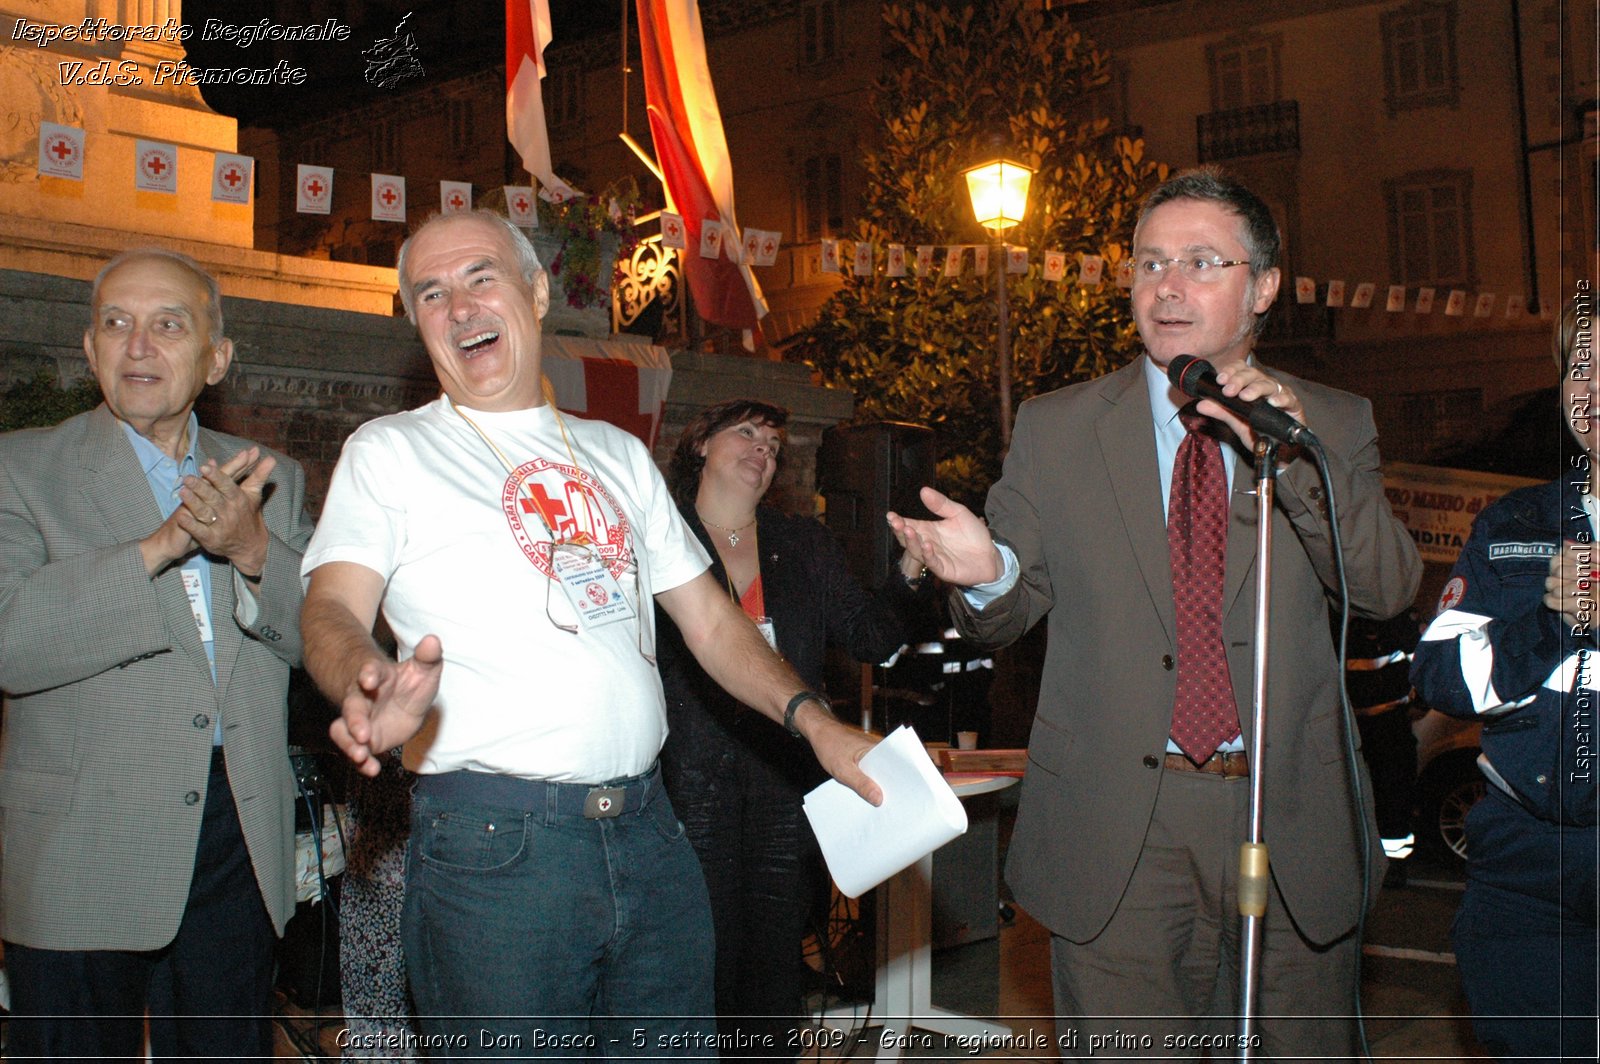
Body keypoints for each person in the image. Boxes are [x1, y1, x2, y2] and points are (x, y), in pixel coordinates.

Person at [299, 209, 882, 1056]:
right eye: (432, 293)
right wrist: (364, 675)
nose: (460, 308)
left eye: (480, 278)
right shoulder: (389, 452)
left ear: (535, 292)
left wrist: (818, 725)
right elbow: (330, 607)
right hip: (494, 851)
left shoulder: (617, 454)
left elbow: (712, 621)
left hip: (651, 833)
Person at [889, 167, 1421, 1057]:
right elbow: (1008, 609)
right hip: (1117, 831)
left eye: (1202, 262)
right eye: (1147, 264)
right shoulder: (1060, 427)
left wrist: (1293, 462)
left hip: (1284, 816)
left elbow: (1385, 586)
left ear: (1263, 288)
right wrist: (984, 572)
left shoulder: (1328, 420)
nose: (1167, 287)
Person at [0, 248, 313, 1058]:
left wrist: (252, 551)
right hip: (81, 838)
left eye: (167, 325)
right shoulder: (21, 469)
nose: (138, 346)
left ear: (216, 358)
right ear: (89, 348)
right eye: (116, 324)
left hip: (236, 839)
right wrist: (158, 547)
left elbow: (324, 634)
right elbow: (11, 644)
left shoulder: (274, 483)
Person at [657, 398, 927, 1051]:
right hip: (688, 791)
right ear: (700, 446)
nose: (762, 450)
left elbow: (869, 637)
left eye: (774, 445)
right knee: (701, 971)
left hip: (785, 790)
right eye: (746, 433)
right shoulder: (660, 541)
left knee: (776, 976)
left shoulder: (801, 545)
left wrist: (913, 571)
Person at [1410, 292, 1598, 1061]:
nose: (1591, 391)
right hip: (1528, 872)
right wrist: (1553, 622)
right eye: (1578, 367)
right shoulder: (1515, 524)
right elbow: (1443, 679)